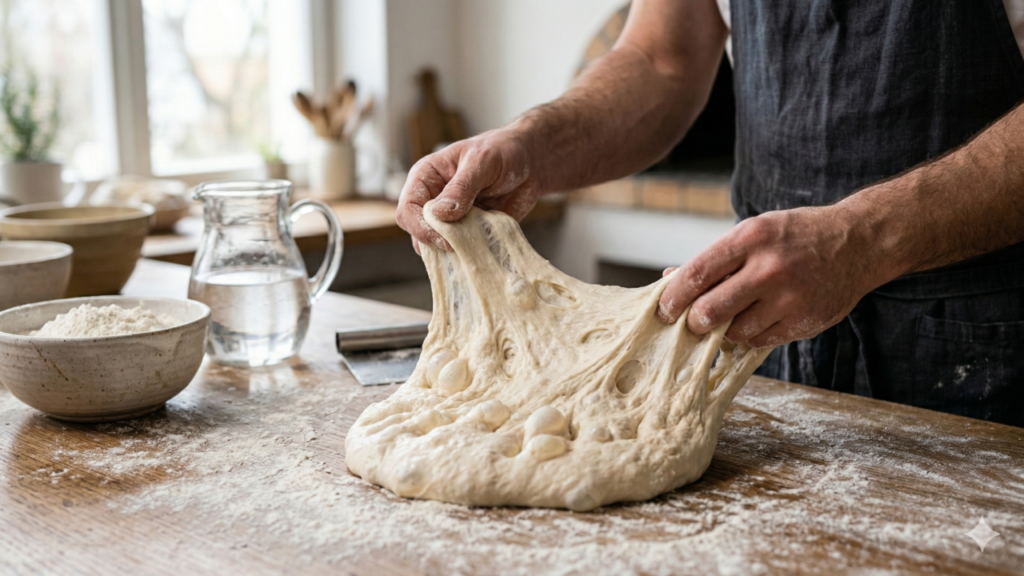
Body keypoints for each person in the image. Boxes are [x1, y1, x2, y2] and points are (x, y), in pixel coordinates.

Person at [396, 0, 1024, 427]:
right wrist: (533, 143)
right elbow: (660, 60)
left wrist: (861, 237)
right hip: (767, 326)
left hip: (991, 330)